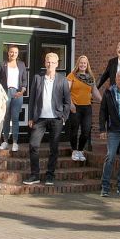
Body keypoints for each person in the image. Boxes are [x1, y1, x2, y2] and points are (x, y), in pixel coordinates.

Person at [24, 52, 70, 186]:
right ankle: (35, 175)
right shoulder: (38, 78)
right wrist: (31, 117)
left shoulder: (62, 80)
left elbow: (67, 101)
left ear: (57, 64)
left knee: (54, 148)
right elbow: (32, 99)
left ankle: (50, 175)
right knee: (33, 145)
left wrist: (64, 117)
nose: (50, 64)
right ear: (45, 63)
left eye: (53, 62)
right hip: (40, 119)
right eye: (48, 62)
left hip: (56, 119)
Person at [67, 55, 102, 162]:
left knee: (86, 130)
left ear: (87, 65)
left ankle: (81, 150)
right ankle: (74, 150)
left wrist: (102, 100)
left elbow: (94, 90)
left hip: (87, 107)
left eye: (85, 63)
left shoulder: (90, 77)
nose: (83, 65)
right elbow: (66, 91)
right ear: (78, 64)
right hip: (75, 107)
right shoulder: (72, 76)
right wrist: (71, 104)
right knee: (74, 130)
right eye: (81, 63)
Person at [0, 45, 28, 152]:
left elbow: (24, 80)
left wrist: (22, 91)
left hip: (17, 93)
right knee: (5, 117)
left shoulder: (21, 65)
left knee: (15, 118)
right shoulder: (2, 64)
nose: (13, 54)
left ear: (18, 54)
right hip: (5, 93)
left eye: (15, 52)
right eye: (11, 52)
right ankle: (5, 141)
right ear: (8, 53)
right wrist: (0, 93)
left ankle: (15, 142)